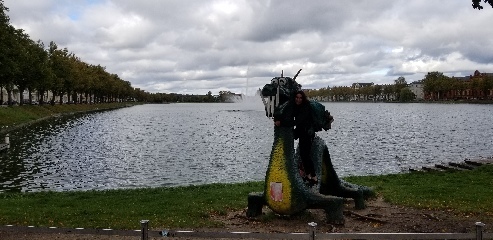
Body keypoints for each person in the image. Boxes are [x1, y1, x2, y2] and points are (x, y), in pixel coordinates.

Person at [274, 90, 317, 187]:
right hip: (302, 132)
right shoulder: (295, 107)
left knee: (305, 155)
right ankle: (308, 176)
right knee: (303, 154)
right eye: (297, 98)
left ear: (303, 99)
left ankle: (313, 177)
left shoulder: (305, 107)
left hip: (308, 133)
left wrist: (282, 123)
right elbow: (287, 115)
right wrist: (278, 118)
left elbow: (297, 121)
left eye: (300, 98)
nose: (298, 99)